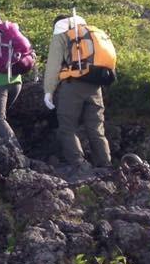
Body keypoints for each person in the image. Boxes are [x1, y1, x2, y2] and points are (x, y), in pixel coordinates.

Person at [44, 13, 112, 168]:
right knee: (96, 128)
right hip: (95, 85)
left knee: (67, 127)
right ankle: (106, 165)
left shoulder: (61, 33)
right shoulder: (90, 32)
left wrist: (49, 91)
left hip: (73, 84)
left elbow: (53, 65)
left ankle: (80, 166)